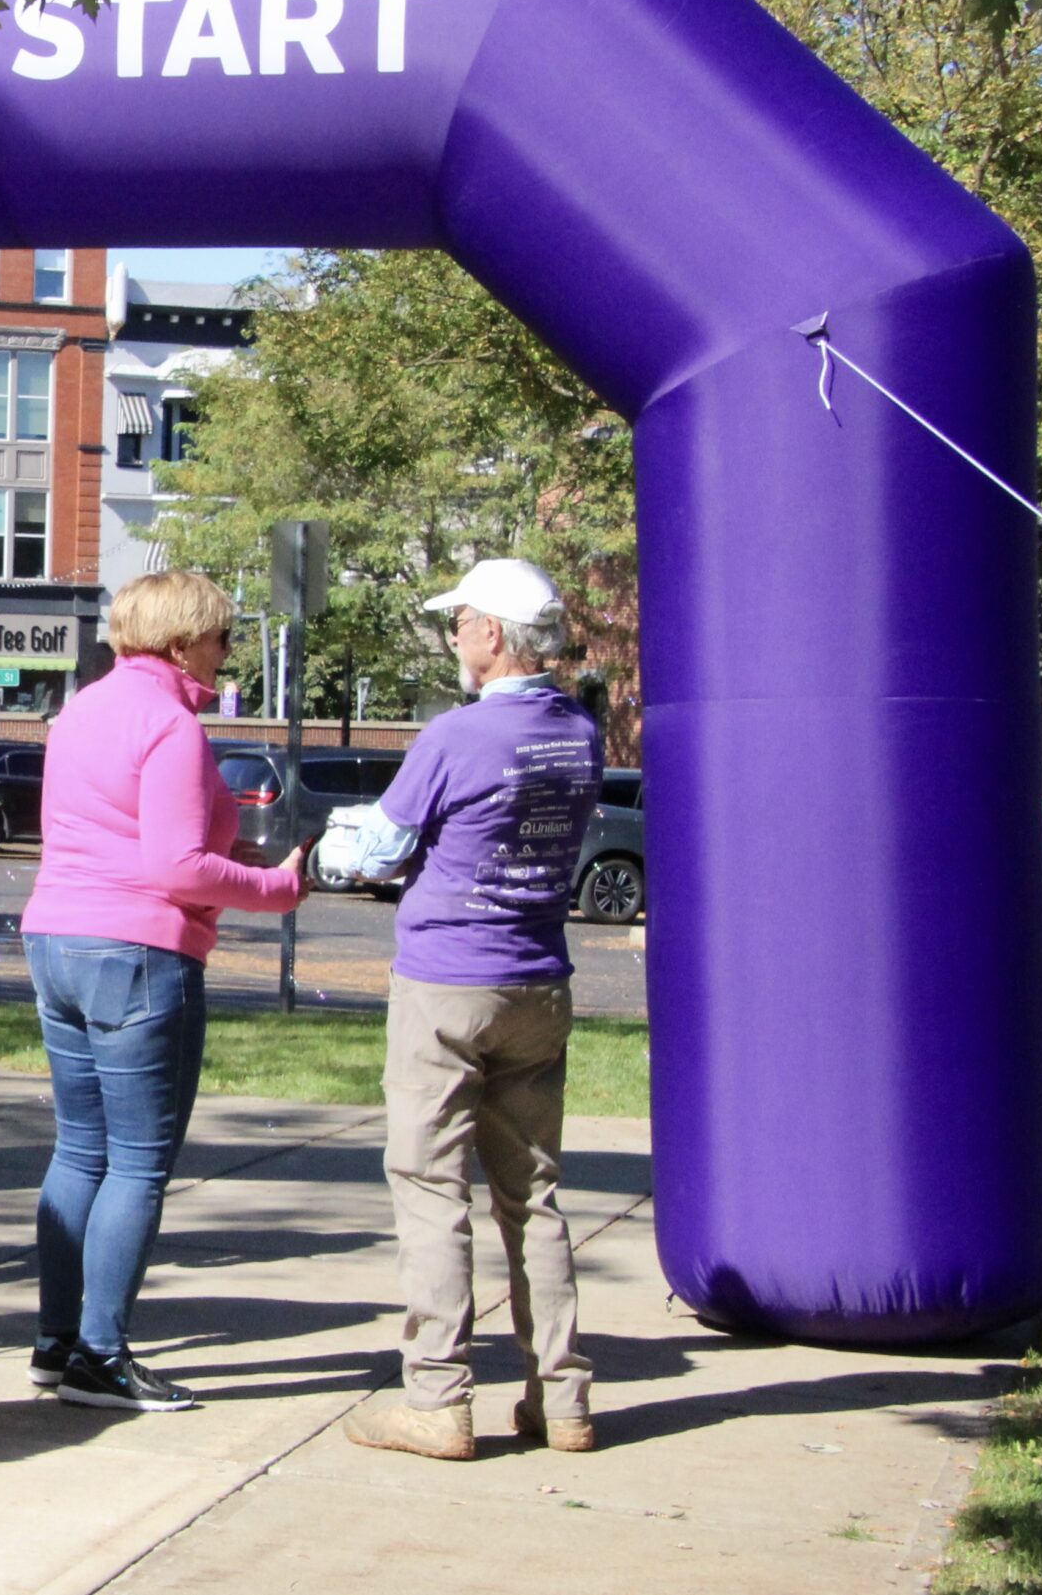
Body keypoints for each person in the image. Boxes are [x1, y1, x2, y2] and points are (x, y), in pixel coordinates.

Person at [20, 571, 306, 1410]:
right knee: (139, 1164)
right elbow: (175, 867)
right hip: (138, 951)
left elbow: (126, 837)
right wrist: (279, 888)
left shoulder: (81, 709)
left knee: (80, 1150)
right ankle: (102, 1355)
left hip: (56, 937)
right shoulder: (172, 724)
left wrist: (230, 869)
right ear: (182, 643)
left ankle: (55, 1340)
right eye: (218, 637)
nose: (224, 651)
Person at [339, 558, 603, 1461]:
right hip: (539, 979)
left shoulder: (455, 736)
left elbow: (378, 848)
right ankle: (561, 1397)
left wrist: (337, 842)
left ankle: (438, 1398)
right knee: (534, 1193)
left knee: (428, 1183)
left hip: (450, 979)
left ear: (493, 633)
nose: (453, 637)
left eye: (460, 622)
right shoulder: (579, 731)